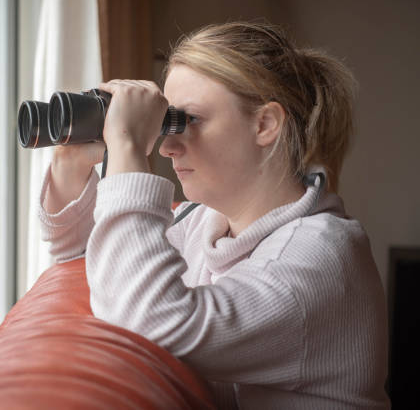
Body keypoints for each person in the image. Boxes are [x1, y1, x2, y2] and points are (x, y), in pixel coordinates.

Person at [38, 22, 390, 409]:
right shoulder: (205, 221)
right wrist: (71, 162)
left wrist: (127, 146)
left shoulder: (320, 255)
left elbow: (151, 323)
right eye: (165, 123)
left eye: (188, 121)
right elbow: (93, 261)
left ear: (265, 124)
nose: (167, 146)